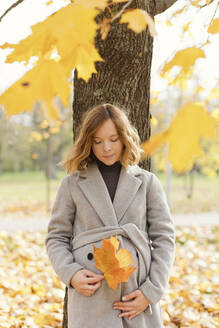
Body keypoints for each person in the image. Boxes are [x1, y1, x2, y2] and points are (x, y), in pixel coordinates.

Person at [45, 103, 175, 328]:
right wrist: (72, 274)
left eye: (113, 139)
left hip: (136, 295)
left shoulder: (147, 182)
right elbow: (56, 238)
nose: (106, 147)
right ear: (89, 142)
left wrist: (151, 291)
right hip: (91, 297)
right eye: (97, 141)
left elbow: (164, 239)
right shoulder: (72, 184)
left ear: (124, 138)